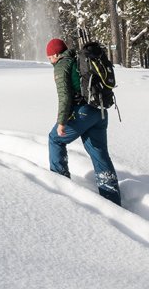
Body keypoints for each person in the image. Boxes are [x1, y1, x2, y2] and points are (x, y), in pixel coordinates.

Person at [46, 37, 121, 206]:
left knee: (55, 140)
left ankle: (60, 187)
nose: (50, 60)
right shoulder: (78, 58)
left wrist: (62, 122)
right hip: (99, 109)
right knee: (99, 152)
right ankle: (112, 200)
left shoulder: (62, 66)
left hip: (82, 112)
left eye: (50, 57)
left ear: (56, 54)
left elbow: (65, 97)